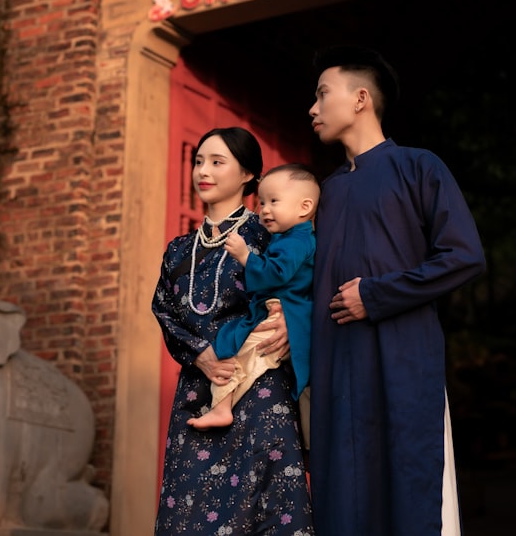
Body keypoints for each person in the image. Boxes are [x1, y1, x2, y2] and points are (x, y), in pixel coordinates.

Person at [307, 46, 485, 536]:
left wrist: (379, 294)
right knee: (340, 494)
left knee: (412, 485)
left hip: (403, 358)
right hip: (336, 365)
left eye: (323, 95)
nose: (313, 108)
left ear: (361, 98)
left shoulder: (418, 166)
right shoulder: (328, 191)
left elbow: (464, 255)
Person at [152, 127, 315, 535]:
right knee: (190, 513)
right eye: (198, 161)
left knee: (266, 511)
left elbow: (307, 288)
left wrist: (295, 327)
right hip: (199, 389)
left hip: (261, 391)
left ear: (247, 175)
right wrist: (199, 354)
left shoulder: (268, 234)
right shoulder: (177, 249)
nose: (203, 171)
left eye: (217, 162)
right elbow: (163, 308)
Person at [187, 163, 318, 431]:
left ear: (304, 208)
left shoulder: (297, 241)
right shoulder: (289, 236)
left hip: (283, 313)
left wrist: (246, 256)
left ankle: (222, 407)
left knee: (244, 355)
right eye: (261, 202)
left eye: (273, 201)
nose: (264, 209)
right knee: (242, 349)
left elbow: (278, 273)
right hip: (273, 310)